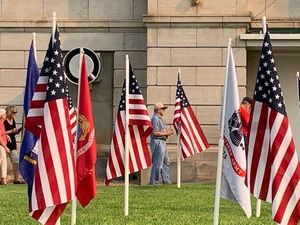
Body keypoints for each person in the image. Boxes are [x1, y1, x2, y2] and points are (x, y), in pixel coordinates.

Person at [149, 102, 174, 185]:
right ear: (158, 110)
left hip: (162, 142)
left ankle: (166, 179)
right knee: (157, 162)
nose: (164, 111)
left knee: (166, 161)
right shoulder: (155, 119)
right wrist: (167, 133)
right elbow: (155, 133)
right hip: (157, 142)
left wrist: (167, 133)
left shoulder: (160, 118)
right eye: (163, 109)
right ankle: (154, 181)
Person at [4, 105, 24, 184]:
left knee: (16, 161)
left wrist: (20, 129)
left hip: (12, 144)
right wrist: (11, 131)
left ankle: (16, 179)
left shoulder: (13, 120)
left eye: (16, 112)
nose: (15, 114)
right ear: (9, 112)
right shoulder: (3, 121)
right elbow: (2, 132)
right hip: (4, 144)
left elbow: (14, 132)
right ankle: (3, 178)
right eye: (14, 112)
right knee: (3, 162)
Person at [0, 108, 10, 185]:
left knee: (3, 162)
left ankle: (3, 178)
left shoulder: (2, 123)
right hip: (1, 146)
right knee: (2, 161)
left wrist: (6, 135)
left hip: (2, 145)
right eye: (5, 114)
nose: (6, 115)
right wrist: (5, 147)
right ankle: (3, 179)